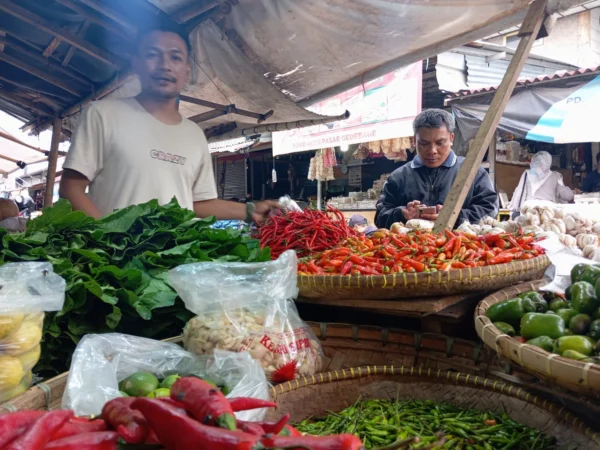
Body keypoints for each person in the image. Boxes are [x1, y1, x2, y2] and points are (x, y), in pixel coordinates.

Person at [59, 21, 278, 223]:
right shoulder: (102, 114)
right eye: (153, 55)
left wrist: (251, 211)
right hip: (113, 261)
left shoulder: (194, 135)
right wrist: (109, 241)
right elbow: (71, 189)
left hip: (175, 262)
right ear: (136, 64)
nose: (165, 65)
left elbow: (198, 203)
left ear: (186, 72)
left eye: (175, 57)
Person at [375, 109, 498, 229]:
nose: (432, 151)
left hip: (461, 247)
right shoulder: (398, 177)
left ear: (451, 138)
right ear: (414, 141)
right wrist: (402, 214)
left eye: (440, 143)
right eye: (424, 143)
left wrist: (454, 217)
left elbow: (490, 211)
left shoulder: (473, 172)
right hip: (411, 247)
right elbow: (380, 217)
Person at [508, 151, 574, 214]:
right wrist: (573, 193)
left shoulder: (527, 173)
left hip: (529, 208)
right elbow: (566, 196)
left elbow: (520, 191)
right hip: (548, 209)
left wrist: (514, 208)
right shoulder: (555, 176)